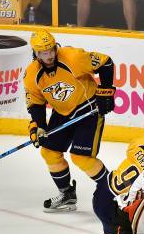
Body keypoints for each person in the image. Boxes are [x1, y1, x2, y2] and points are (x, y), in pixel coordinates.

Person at [24, 29, 115, 213]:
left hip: (87, 108)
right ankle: (67, 193)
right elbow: (36, 102)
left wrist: (105, 92)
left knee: (80, 157)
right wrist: (39, 126)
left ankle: (113, 190)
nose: (49, 56)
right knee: (49, 152)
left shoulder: (73, 57)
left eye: (51, 50)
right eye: (43, 53)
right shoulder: (32, 74)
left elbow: (106, 62)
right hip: (62, 112)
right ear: (35, 53)